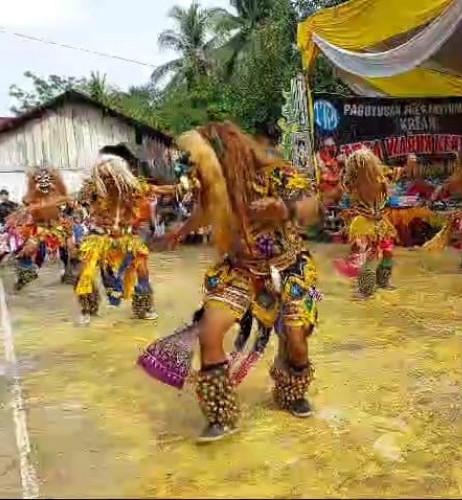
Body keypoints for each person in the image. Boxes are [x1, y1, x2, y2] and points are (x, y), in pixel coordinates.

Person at [137, 121, 322, 443]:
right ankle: (221, 414)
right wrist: (177, 233)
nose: (195, 167)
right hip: (239, 271)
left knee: (297, 340)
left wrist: (285, 209)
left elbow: (313, 206)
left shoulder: (278, 172)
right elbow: (204, 213)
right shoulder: (214, 186)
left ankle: (291, 391)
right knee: (210, 331)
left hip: (289, 268)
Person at [74, 154, 176, 325]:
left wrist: (187, 186)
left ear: (119, 175)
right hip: (100, 237)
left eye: (110, 176)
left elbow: (162, 190)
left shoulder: (134, 189)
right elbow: (75, 201)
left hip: (126, 237)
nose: (108, 181)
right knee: (86, 269)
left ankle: (143, 307)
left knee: (142, 269)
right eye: (103, 177)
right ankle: (88, 308)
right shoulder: (93, 191)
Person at [333, 148, 398, 298]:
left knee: (370, 256)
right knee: (385, 252)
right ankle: (381, 282)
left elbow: (345, 203)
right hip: (379, 223)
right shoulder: (381, 182)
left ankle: (368, 287)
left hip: (364, 224)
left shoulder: (352, 185)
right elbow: (389, 200)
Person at [6, 167, 75, 290]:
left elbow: (70, 206)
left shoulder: (59, 195)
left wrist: (67, 207)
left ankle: (69, 272)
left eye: (47, 181)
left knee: (70, 248)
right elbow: (25, 205)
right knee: (28, 250)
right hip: (40, 227)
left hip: (58, 225)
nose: (44, 185)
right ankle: (26, 275)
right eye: (40, 181)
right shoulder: (32, 197)